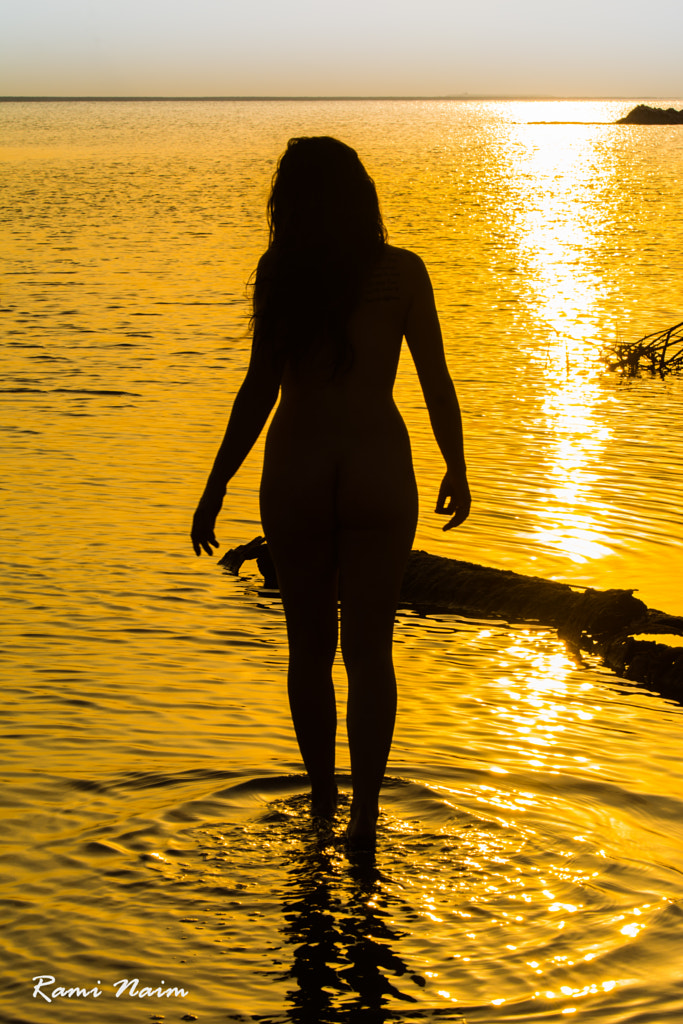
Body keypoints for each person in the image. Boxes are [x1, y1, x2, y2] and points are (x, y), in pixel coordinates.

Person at [191, 136, 470, 850]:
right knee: (370, 652)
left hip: (298, 469)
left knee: (308, 651)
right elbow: (434, 377)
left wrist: (216, 483)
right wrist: (455, 464)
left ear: (289, 202)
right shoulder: (402, 272)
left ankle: (320, 808)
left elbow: (258, 387)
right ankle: (366, 816)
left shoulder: (278, 271)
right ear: (361, 196)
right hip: (379, 465)